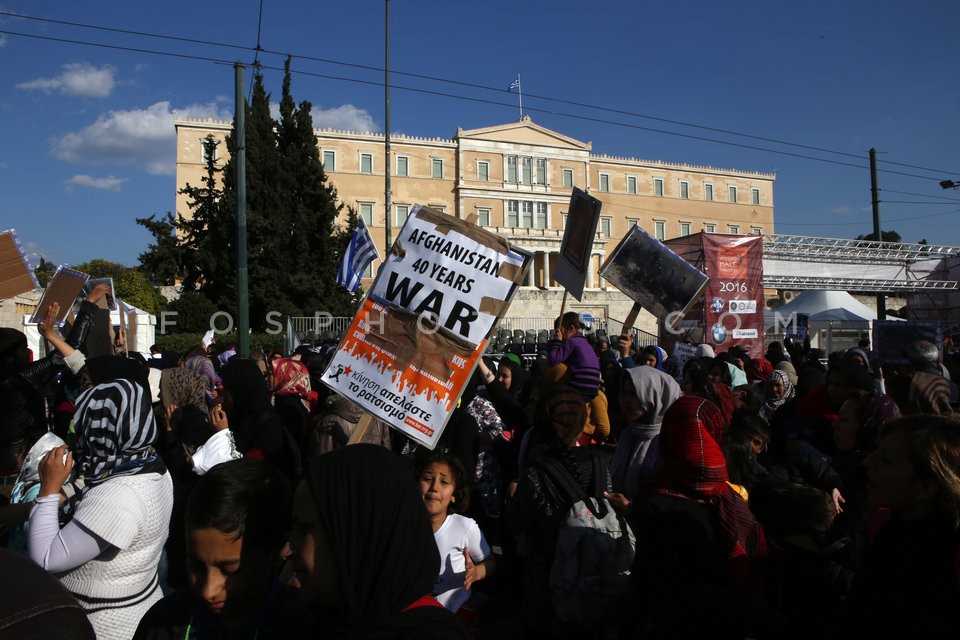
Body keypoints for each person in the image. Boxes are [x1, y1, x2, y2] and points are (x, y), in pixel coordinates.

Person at [28, 379, 174, 640]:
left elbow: (45, 560)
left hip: (105, 626)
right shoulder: (148, 465)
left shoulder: (119, 493)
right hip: (139, 608)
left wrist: (48, 488)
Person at [287, 444, 470, 639]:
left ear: (360, 535)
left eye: (305, 526)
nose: (288, 549)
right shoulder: (300, 620)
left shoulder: (434, 634)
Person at [134, 457, 310, 639]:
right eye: (196, 566)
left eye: (230, 570)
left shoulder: (305, 627)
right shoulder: (162, 623)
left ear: (275, 553)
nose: (208, 591)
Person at [843, 415, 960, 635]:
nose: (868, 462)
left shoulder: (952, 553)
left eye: (886, 460)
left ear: (925, 488)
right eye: (876, 451)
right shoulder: (882, 522)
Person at [415, 453, 494, 614]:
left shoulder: (465, 527)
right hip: (413, 615)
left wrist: (477, 572)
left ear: (453, 495)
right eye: (427, 478)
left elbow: (490, 562)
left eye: (444, 482)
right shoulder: (403, 524)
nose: (434, 487)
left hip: (452, 616)